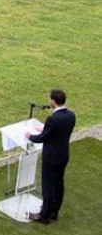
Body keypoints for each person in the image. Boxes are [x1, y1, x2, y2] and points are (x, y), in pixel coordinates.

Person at [26, 89, 76, 224]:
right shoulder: (71, 115)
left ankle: (44, 215)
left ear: (53, 101)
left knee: (48, 186)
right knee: (59, 183)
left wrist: (30, 136)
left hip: (51, 157)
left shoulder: (53, 119)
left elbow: (42, 138)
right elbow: (58, 131)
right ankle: (54, 211)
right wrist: (46, 129)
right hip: (63, 155)